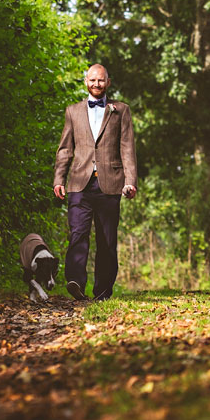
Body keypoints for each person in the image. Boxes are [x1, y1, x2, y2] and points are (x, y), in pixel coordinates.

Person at [53, 64, 137, 301]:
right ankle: (76, 282)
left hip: (110, 184)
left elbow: (127, 148)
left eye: (100, 81)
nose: (96, 85)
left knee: (107, 240)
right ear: (85, 82)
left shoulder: (121, 110)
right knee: (78, 233)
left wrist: (130, 181)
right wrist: (59, 178)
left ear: (108, 82)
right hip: (79, 184)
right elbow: (65, 149)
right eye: (92, 80)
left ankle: (102, 291)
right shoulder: (73, 111)